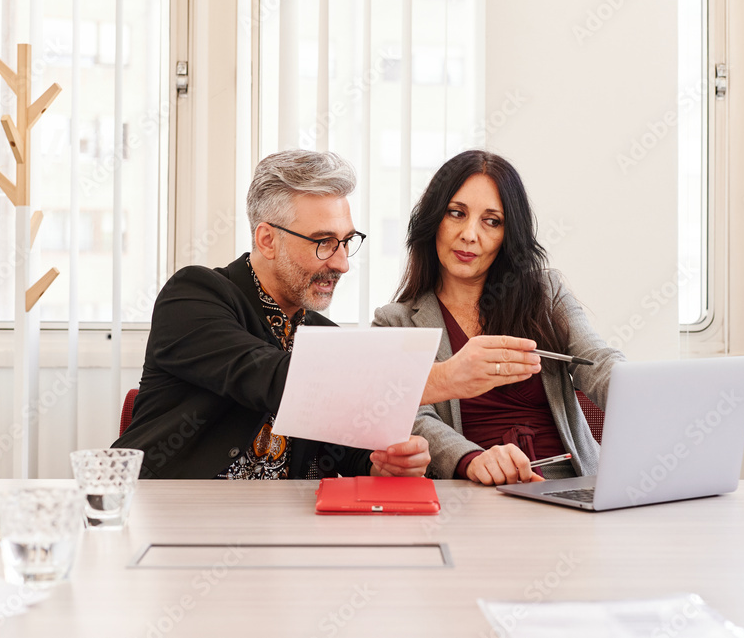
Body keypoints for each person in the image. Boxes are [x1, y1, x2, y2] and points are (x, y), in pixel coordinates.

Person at [114, 150, 430, 479]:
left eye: (346, 242)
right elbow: (273, 378)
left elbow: (347, 451)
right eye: (324, 242)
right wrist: (437, 378)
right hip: (168, 516)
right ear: (267, 240)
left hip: (278, 524)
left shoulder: (324, 335)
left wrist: (385, 464)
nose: (341, 264)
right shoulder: (193, 296)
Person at [374, 150, 626, 485]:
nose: (470, 234)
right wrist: (471, 459)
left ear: (509, 235)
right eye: (456, 213)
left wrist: (647, 395)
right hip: (474, 489)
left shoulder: (546, 294)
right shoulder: (395, 322)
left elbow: (597, 362)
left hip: (569, 485)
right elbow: (414, 416)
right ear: (434, 220)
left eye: (492, 221)